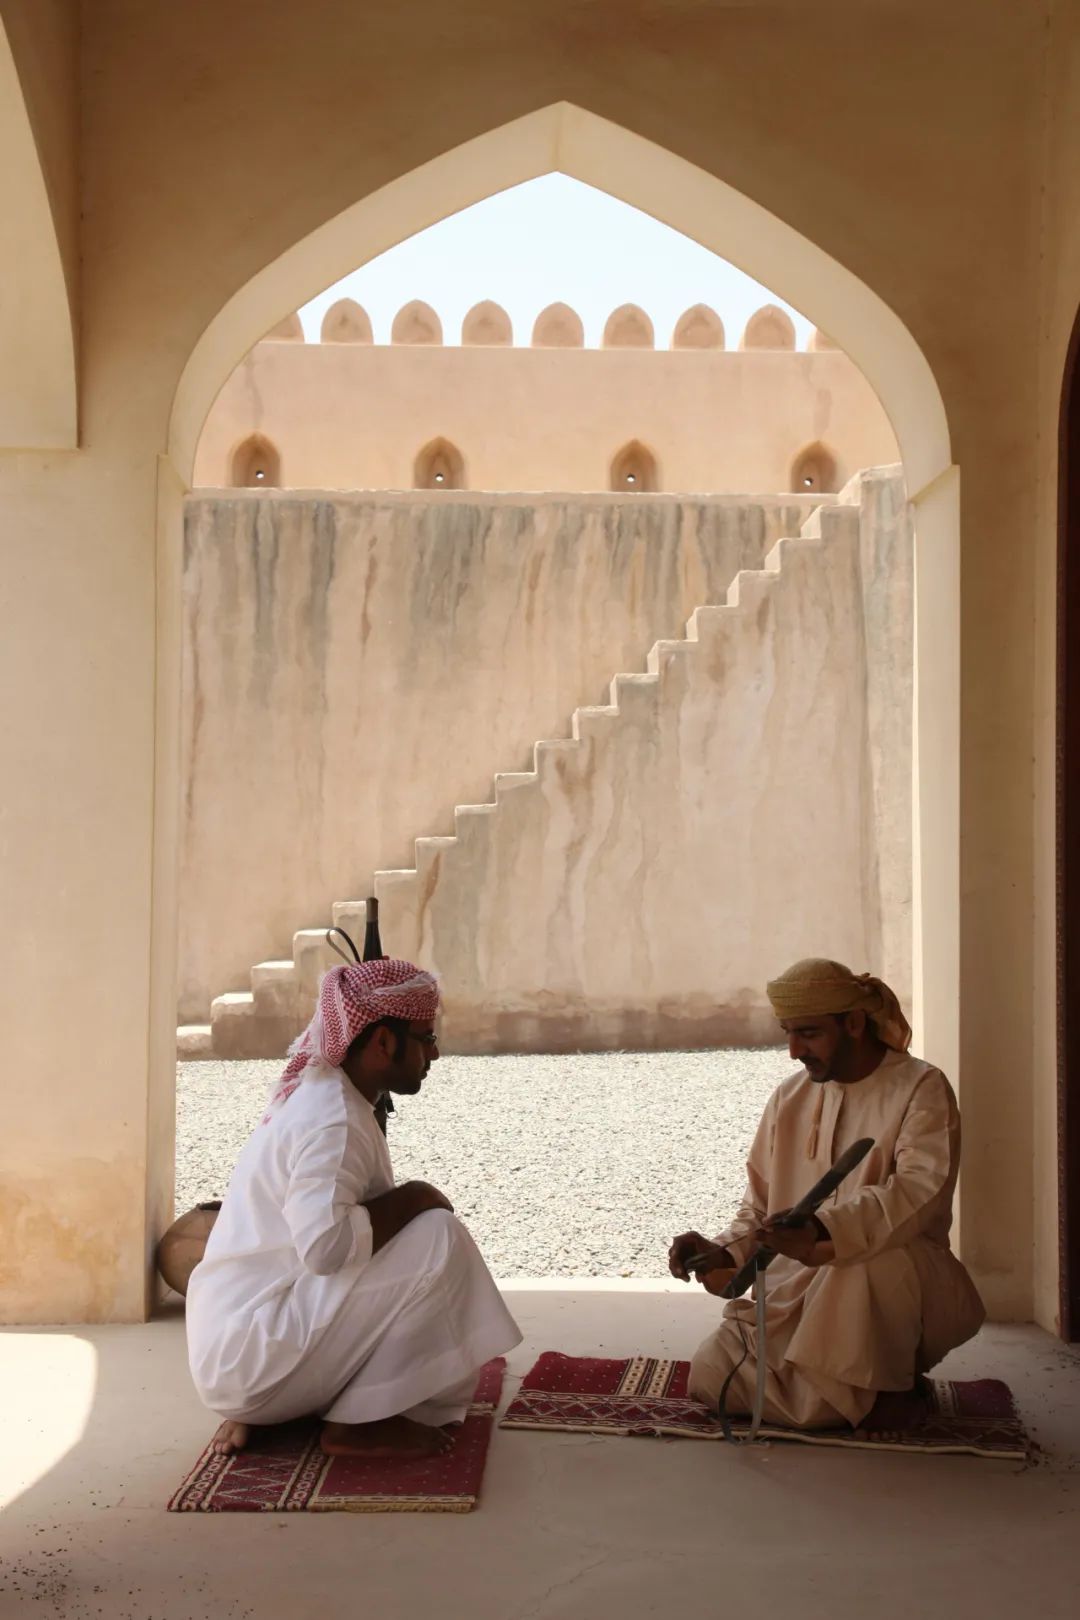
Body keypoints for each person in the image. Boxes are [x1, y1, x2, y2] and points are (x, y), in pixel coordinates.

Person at [186, 957, 522, 1459]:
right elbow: (325, 1250)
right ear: (384, 1042)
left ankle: (284, 1404)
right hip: (251, 1355)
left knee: (416, 1235)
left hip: (243, 1350)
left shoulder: (324, 1094)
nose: (435, 1052)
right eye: (426, 1037)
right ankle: (361, 1423)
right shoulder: (333, 1120)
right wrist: (417, 1196)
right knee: (438, 1238)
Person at [669, 957, 985, 1428]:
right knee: (711, 1374)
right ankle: (861, 1398)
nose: (794, 1050)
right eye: (788, 1033)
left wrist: (823, 1231)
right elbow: (759, 1206)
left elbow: (918, 1193)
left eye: (810, 1033)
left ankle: (872, 1387)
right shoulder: (790, 1097)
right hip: (792, 1291)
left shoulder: (921, 1087)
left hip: (894, 1280)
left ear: (854, 1023)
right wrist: (722, 1254)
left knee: (860, 1260)